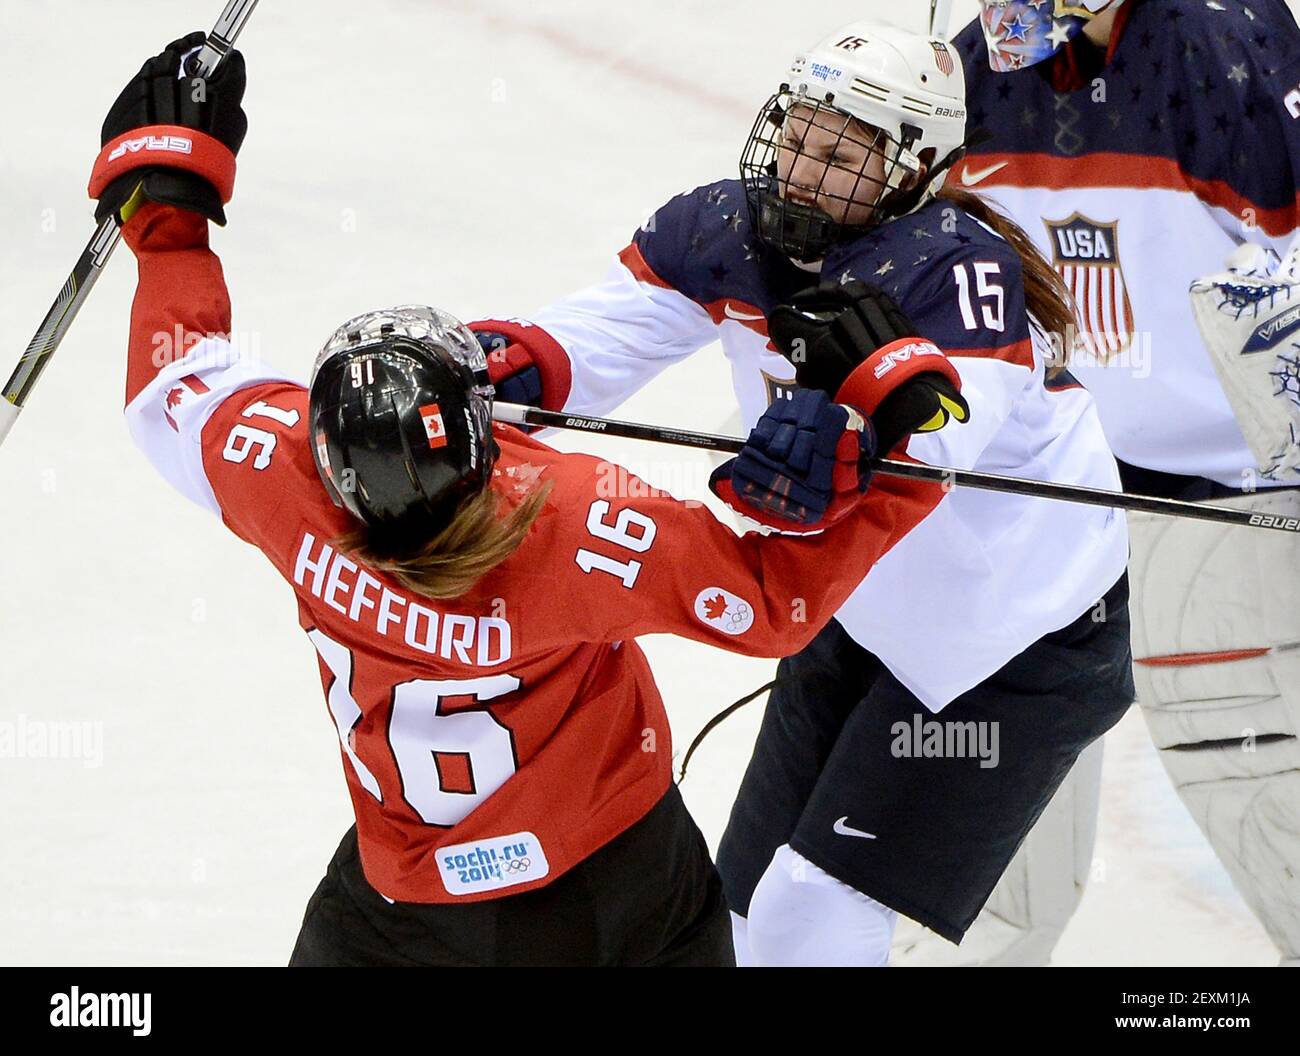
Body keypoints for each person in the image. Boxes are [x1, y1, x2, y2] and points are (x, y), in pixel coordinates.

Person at [89, 34, 964, 967]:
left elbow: (173, 382)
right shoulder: (571, 520)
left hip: (403, 909)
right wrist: (904, 457)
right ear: (481, 444)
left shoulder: (283, 479)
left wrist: (165, 209)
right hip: (622, 890)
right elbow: (772, 606)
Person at [474, 21, 1135, 966]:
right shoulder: (728, 229)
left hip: (1016, 652)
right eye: (798, 135)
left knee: (808, 910)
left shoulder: (957, 267)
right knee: (740, 917)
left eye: (840, 155)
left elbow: (952, 430)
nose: (800, 169)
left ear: (912, 170)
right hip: (855, 612)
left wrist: (866, 429)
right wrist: (504, 369)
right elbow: (603, 339)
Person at [941, 0, 1300, 965]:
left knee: (1265, 794)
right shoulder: (985, 58)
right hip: (1059, 489)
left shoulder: (1220, 41)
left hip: (1233, 501)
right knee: (995, 842)